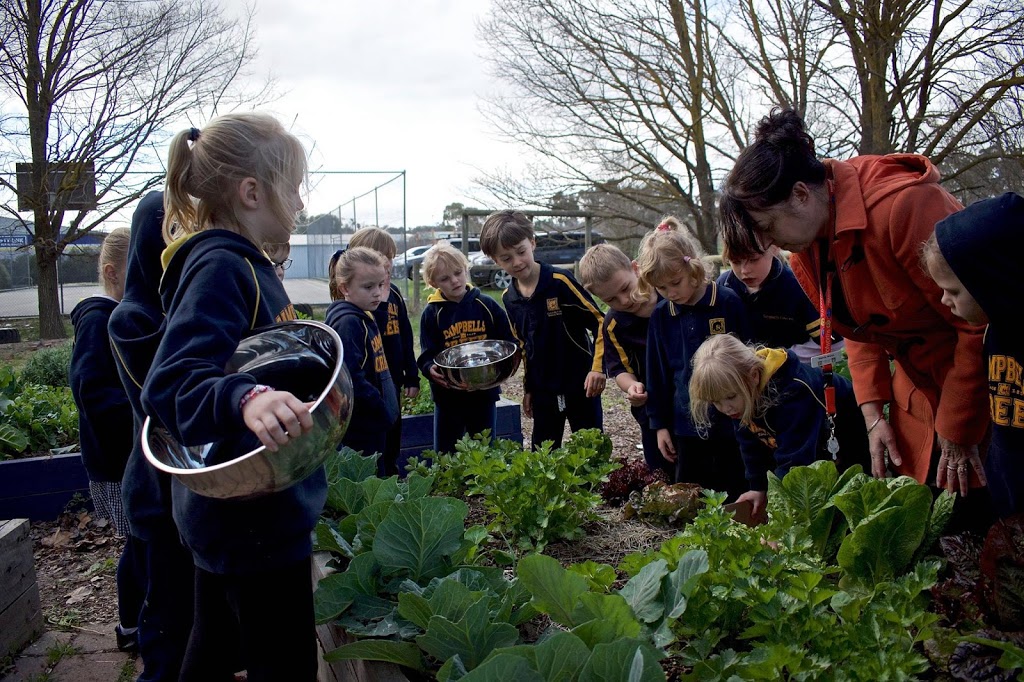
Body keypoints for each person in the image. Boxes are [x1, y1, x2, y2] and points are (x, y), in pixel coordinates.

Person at [717, 108, 989, 510]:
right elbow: (859, 329)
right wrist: (872, 412)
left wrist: (957, 423)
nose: (766, 243)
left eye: (767, 226)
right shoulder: (806, 246)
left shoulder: (904, 207)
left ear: (800, 194)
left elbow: (976, 324)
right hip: (917, 394)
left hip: (978, 387)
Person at [140, 113, 323, 682]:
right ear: (252, 192)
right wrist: (246, 397)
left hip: (246, 510)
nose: (300, 201)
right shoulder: (223, 267)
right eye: (294, 187)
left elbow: (251, 350)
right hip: (251, 518)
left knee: (215, 643)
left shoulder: (251, 266)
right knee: (284, 660)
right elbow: (170, 381)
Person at [108, 191, 197, 682]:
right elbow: (163, 398)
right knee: (165, 615)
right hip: (157, 492)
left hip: (196, 491)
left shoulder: (194, 304)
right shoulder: (132, 318)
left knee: (197, 611)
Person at [689, 334, 870, 522]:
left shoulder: (794, 391)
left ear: (753, 376)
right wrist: (758, 487)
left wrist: (779, 519)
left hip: (848, 439)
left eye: (730, 397)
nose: (725, 408)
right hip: (810, 446)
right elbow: (750, 442)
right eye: (715, 402)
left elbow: (795, 460)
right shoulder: (740, 396)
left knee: (848, 505)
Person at [922, 192, 1023, 518]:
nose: (943, 301)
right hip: (1008, 493)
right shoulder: (994, 332)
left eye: (953, 291)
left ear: (993, 281)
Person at [69, 227, 143, 653]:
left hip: (129, 459)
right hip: (117, 464)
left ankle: (139, 619)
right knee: (140, 544)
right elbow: (92, 392)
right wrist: (139, 419)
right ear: (113, 272)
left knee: (144, 542)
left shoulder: (125, 318)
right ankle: (132, 625)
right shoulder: (99, 320)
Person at [639, 217, 750, 498]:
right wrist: (660, 425)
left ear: (693, 268)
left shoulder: (727, 302)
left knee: (737, 489)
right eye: (661, 288)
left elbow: (749, 358)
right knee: (691, 496)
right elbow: (657, 375)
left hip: (732, 419)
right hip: (685, 423)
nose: (670, 292)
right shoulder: (661, 317)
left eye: (675, 282)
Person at [479, 210, 606, 449]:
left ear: (533, 243)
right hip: (544, 390)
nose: (516, 262)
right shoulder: (509, 298)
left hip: (581, 384)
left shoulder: (560, 281)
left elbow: (601, 322)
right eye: (506, 258)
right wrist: (529, 389)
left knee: (592, 451)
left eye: (521, 251)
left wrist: (598, 368)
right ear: (495, 261)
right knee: (543, 454)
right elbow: (525, 346)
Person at [578, 242, 670, 476]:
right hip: (650, 409)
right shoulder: (614, 325)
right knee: (659, 470)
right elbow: (619, 369)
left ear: (635, 268)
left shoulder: (669, 295)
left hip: (685, 399)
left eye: (625, 288)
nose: (624, 301)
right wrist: (632, 388)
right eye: (611, 300)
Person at [418, 242, 515, 456]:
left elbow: (508, 341)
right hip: (448, 397)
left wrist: (503, 368)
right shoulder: (432, 314)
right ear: (434, 282)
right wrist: (428, 368)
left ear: (465, 268)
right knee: (445, 452)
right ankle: (447, 489)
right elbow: (427, 353)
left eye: (458, 273)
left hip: (484, 393)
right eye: (445, 278)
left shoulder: (486, 305)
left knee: (484, 450)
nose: (454, 281)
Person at [347, 227, 420, 475]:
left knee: (394, 429)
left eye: (391, 257)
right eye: (381, 255)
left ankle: (391, 471)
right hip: (371, 384)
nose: (388, 262)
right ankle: (378, 478)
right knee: (375, 439)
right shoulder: (358, 300)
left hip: (392, 380)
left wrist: (412, 374)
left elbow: (406, 334)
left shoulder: (394, 293)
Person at [324, 246, 400, 461]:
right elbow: (350, 378)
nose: (377, 292)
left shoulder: (364, 314)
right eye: (368, 287)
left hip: (374, 424)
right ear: (345, 288)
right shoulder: (348, 322)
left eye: (380, 285)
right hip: (363, 427)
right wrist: (380, 408)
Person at [716, 242, 834, 363]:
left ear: (775, 248)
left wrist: (783, 359)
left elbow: (833, 342)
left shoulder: (799, 286)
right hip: (739, 370)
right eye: (735, 262)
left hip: (793, 372)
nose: (744, 270)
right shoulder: (723, 288)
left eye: (753, 260)